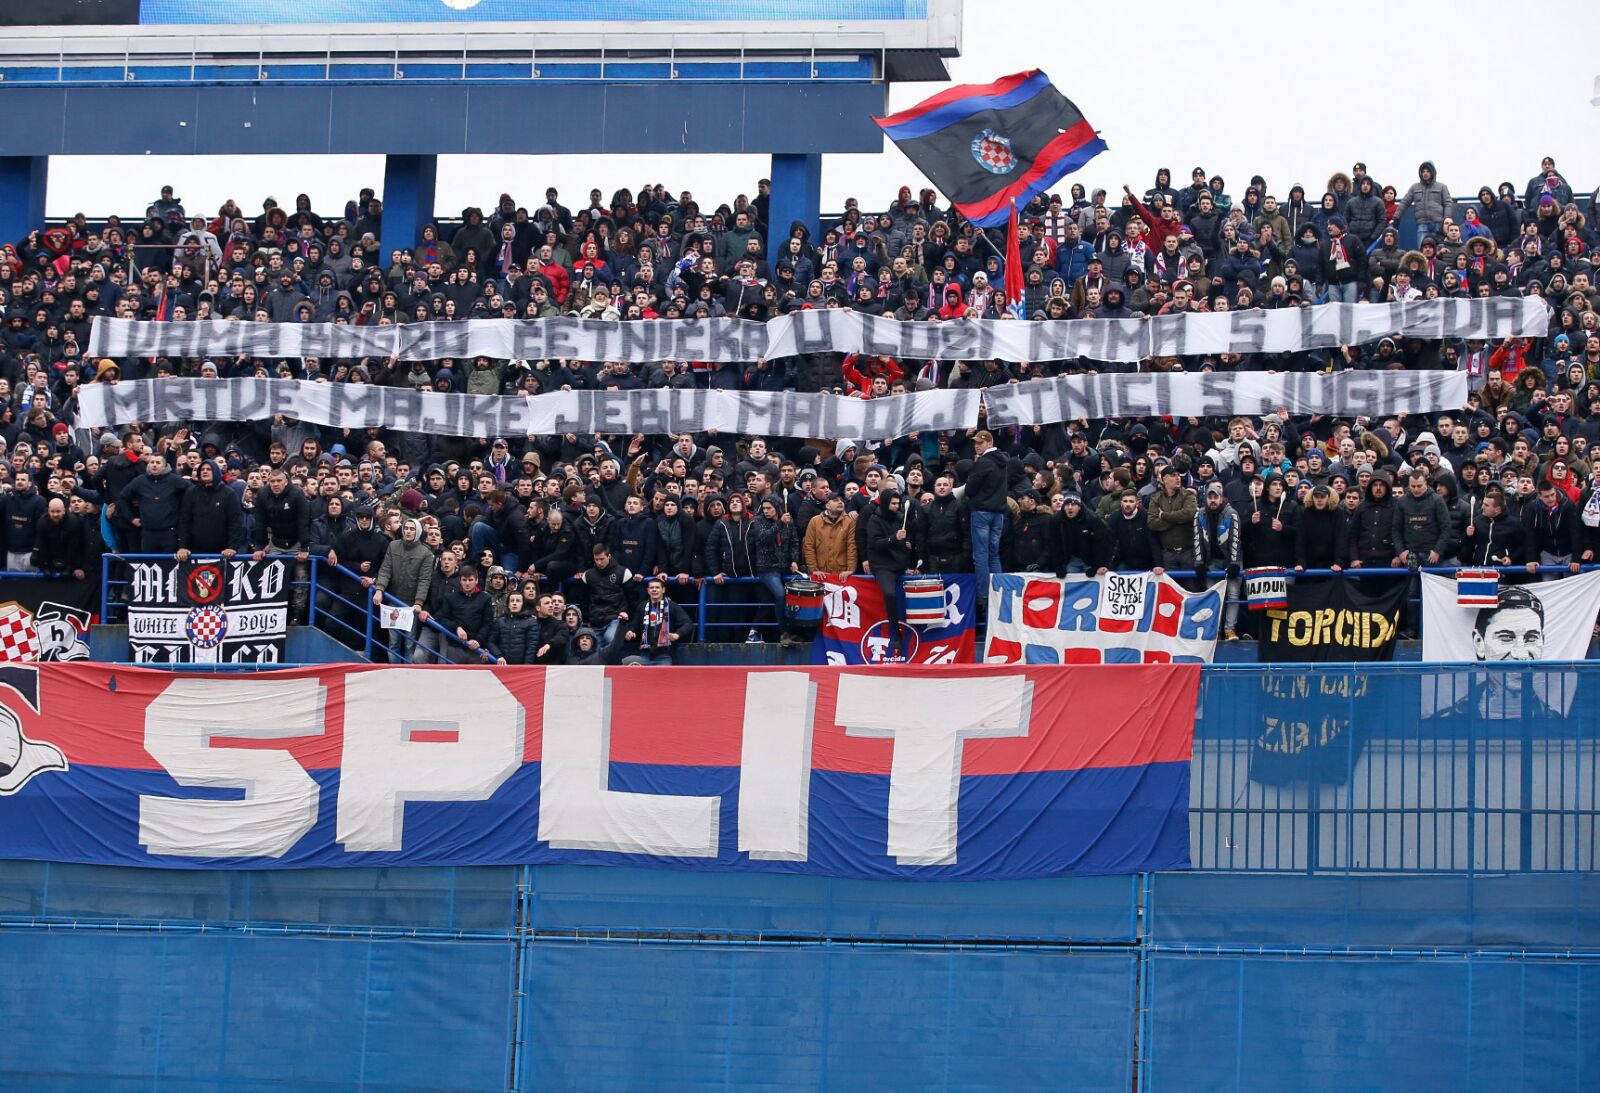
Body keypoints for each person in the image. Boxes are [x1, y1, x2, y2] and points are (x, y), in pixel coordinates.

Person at [862, 489, 915, 661]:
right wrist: (894, 538)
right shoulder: (874, 520)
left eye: (898, 504)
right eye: (893, 503)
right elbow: (875, 543)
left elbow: (905, 542)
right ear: (885, 503)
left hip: (899, 564)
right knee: (889, 593)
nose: (896, 506)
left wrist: (907, 544)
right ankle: (895, 632)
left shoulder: (901, 518)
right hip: (882, 565)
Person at [965, 430, 1009, 605]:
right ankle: (998, 591)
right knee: (993, 555)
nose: (977, 445)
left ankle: (984, 595)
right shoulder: (1003, 462)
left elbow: (970, 489)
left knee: (981, 555)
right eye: (975, 443)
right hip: (998, 513)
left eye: (980, 443)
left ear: (989, 443)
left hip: (981, 512)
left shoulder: (984, 462)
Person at [622, 577, 694, 665]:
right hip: (644, 654)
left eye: (657, 587)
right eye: (652, 588)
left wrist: (677, 634)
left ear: (663, 590)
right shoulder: (642, 606)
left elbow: (688, 624)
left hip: (664, 656)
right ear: (648, 591)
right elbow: (635, 624)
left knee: (664, 679)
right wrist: (631, 631)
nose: (654, 590)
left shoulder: (672, 606)